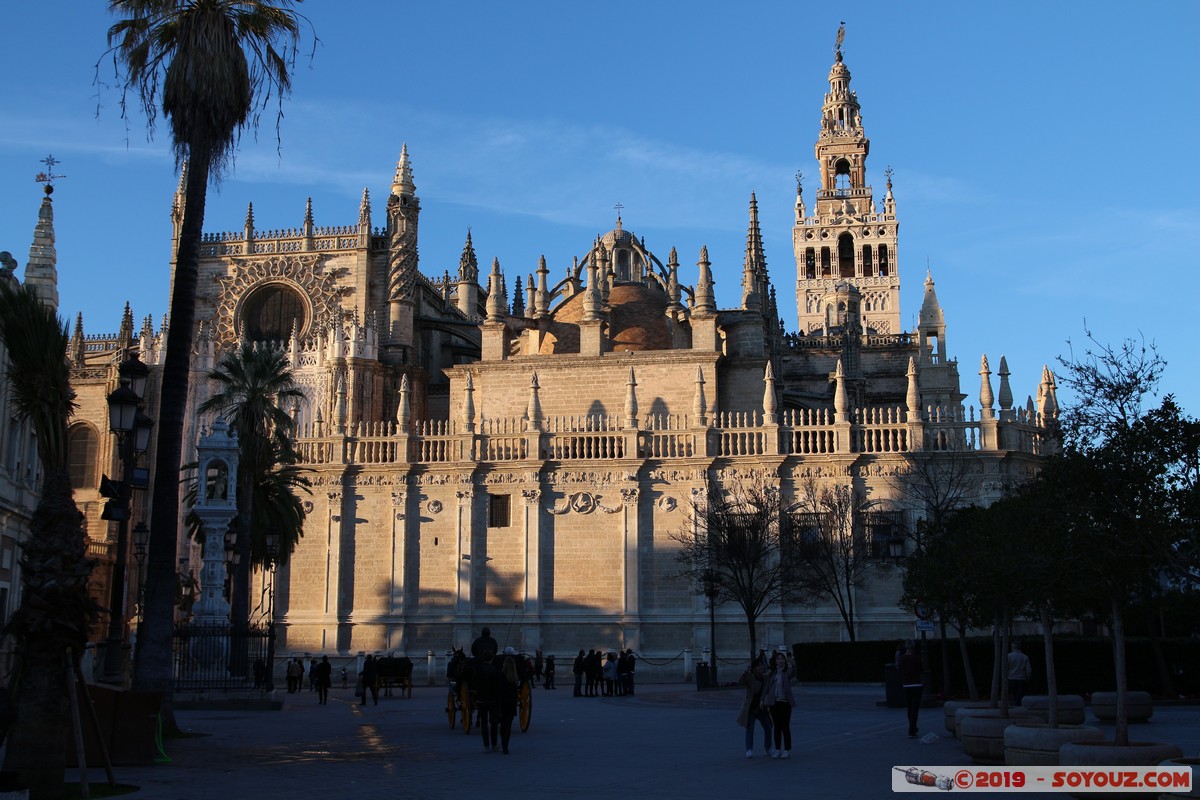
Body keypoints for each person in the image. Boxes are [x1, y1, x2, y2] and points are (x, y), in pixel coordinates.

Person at [762, 650, 798, 758]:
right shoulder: (772, 673)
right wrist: (762, 699)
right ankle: (777, 749)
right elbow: (767, 687)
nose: (780, 661)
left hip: (785, 703)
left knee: (785, 726)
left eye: (782, 659)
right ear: (775, 661)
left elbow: (795, 672)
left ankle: (787, 749)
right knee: (777, 727)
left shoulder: (788, 671)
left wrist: (792, 662)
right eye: (778, 659)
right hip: (774, 703)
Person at [737, 655, 774, 758]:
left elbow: (769, 684)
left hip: (761, 707)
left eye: (762, 665)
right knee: (750, 728)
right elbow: (740, 682)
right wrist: (745, 672)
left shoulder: (765, 677)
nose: (761, 667)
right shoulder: (749, 676)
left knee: (768, 727)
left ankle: (768, 748)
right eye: (759, 666)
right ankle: (749, 749)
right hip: (750, 707)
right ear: (754, 668)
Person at [473, 651, 502, 753]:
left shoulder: (478, 669)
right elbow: (497, 685)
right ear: (491, 659)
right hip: (492, 699)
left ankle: (486, 745)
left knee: (484, 723)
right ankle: (494, 744)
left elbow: (474, 681)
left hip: (481, 699)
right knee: (493, 723)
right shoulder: (495, 670)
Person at [898, 639, 923, 738]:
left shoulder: (901, 658)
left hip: (906, 684)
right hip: (916, 684)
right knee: (915, 708)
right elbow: (921, 670)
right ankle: (912, 728)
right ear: (913, 647)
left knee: (909, 707)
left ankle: (912, 726)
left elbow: (900, 670)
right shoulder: (917, 658)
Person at [497, 655, 520, 755]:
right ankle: (506, 746)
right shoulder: (514, 678)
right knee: (508, 725)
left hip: (502, 703)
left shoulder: (501, 676)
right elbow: (515, 692)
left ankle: (503, 744)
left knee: (503, 725)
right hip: (511, 704)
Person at [1007, 641, 1032, 707]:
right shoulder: (1025, 657)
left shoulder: (1009, 656)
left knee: (1012, 695)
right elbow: (1029, 670)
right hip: (1021, 678)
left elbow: (1005, 668)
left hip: (1011, 678)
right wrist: (1027, 679)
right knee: (1020, 696)